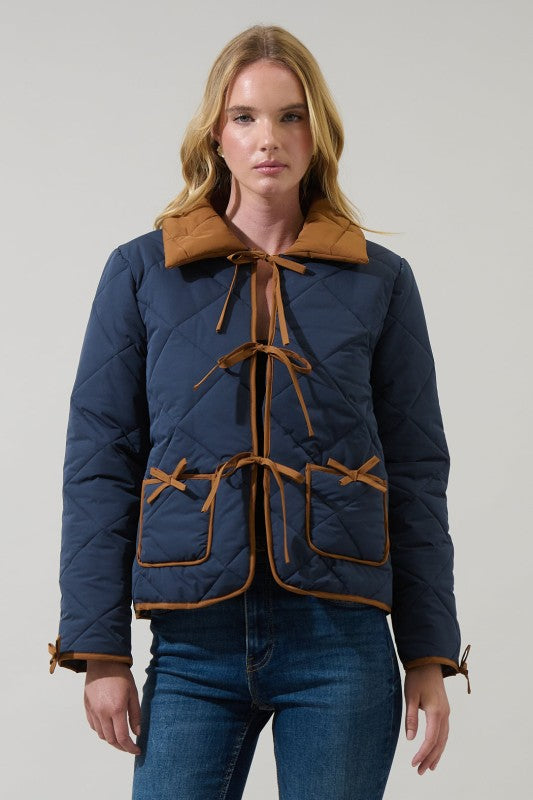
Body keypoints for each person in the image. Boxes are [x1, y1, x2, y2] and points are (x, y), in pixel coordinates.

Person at [47, 23, 471, 800]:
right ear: (215, 132)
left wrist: (427, 653)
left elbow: (415, 470)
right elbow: (100, 461)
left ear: (318, 133)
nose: (268, 138)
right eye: (244, 116)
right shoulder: (143, 272)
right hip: (191, 645)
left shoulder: (380, 281)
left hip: (341, 643)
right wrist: (99, 650)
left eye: (290, 116)